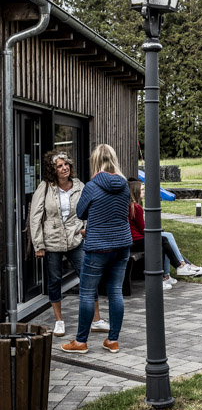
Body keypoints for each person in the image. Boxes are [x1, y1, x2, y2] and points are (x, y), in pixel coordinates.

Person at [64, 145, 130, 355]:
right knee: (115, 292)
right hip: (121, 245)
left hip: (98, 247)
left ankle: (81, 342)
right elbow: (122, 213)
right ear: (114, 160)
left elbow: (81, 212)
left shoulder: (92, 186)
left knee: (86, 293)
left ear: (95, 161)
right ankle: (113, 341)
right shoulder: (125, 185)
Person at [29, 151, 83, 336]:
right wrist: (39, 244)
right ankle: (59, 320)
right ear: (53, 170)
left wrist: (85, 228)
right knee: (55, 281)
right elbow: (35, 217)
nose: (64, 168)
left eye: (66, 164)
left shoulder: (79, 185)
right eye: (59, 166)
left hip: (75, 239)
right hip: (51, 242)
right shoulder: (45, 187)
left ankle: (95, 318)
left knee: (88, 276)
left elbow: (88, 209)